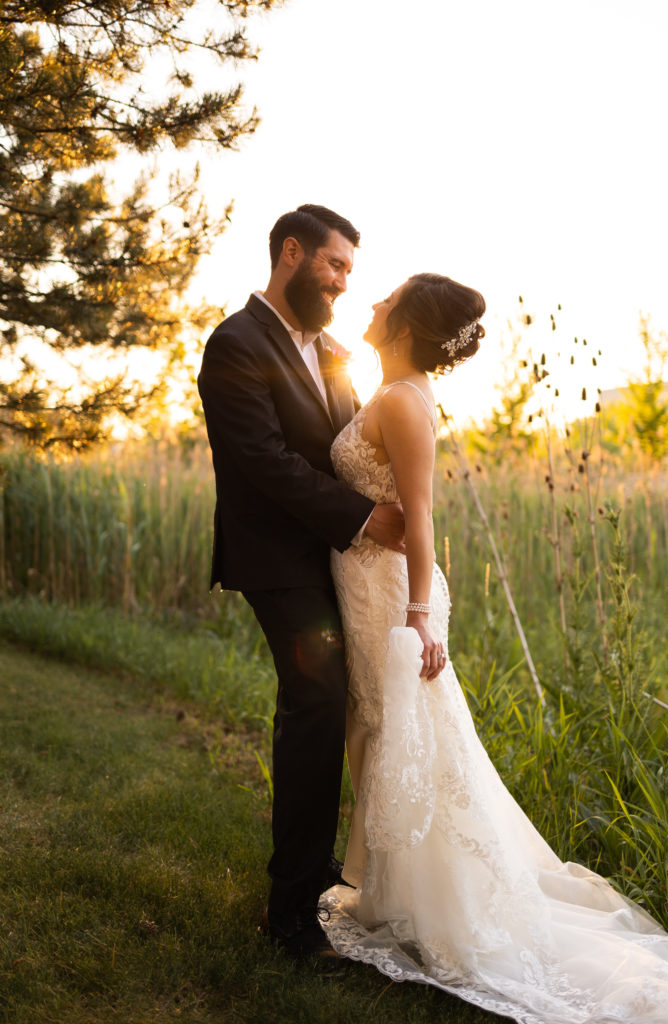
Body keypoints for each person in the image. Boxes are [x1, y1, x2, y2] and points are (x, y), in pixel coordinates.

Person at [322, 273, 668, 1020]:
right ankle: (394, 891)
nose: (371, 304)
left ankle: (444, 909)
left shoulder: (403, 402)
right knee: (386, 739)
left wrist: (418, 615)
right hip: (368, 590)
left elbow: (419, 517)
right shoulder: (393, 391)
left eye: (384, 300)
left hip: (393, 595)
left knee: (408, 745)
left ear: (403, 325)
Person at [197, 204, 404, 961]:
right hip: (275, 557)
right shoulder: (234, 342)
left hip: (337, 556)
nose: (346, 282)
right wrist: (362, 517)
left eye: (350, 269)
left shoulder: (338, 352)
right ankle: (289, 912)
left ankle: (321, 870)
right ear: (291, 252)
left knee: (345, 699)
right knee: (315, 699)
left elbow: (346, 447)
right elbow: (262, 459)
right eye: (335, 265)